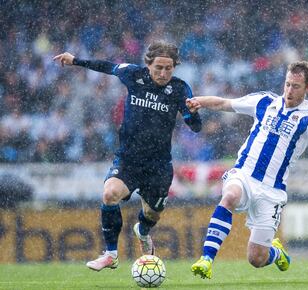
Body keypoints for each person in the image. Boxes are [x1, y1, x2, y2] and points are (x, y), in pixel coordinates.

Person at [53, 41, 202, 271]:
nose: (163, 73)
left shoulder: (180, 88)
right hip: (129, 159)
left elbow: (196, 127)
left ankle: (142, 231)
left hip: (159, 165)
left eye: (168, 68)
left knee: (152, 214)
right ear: (148, 65)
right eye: (158, 68)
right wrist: (75, 61)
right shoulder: (134, 74)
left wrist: (193, 114)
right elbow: (108, 66)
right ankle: (111, 254)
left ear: (174, 67)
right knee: (110, 194)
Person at [186, 61, 308, 279]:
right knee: (230, 196)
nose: (289, 90)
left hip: (272, 190)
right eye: (287, 84)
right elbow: (225, 103)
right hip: (244, 174)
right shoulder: (264, 101)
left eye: (296, 86)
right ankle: (206, 259)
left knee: (256, 258)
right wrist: (199, 101)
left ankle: (276, 253)